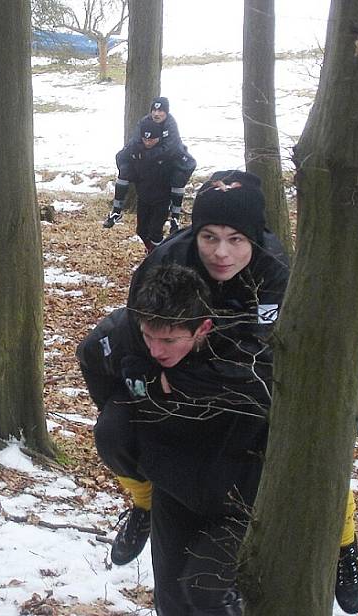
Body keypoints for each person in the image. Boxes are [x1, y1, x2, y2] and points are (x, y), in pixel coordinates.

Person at [79, 171, 358, 613]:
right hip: (186, 400)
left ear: (255, 238)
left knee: (320, 434)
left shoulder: (278, 274)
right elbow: (137, 344)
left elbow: (265, 365)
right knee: (115, 427)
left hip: (271, 395)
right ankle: (143, 502)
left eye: (235, 239)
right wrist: (147, 386)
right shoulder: (165, 264)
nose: (220, 252)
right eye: (209, 236)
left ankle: (342, 538)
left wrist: (189, 377)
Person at [105, 261, 271, 614]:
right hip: (173, 485)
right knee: (172, 600)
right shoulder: (135, 345)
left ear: (203, 329)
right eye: (149, 336)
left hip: (240, 499)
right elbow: (95, 358)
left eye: (168, 340)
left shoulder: (246, 355)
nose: (156, 350)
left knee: (205, 590)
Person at [104, 96, 193, 242]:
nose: (157, 114)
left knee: (178, 177)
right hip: (145, 177)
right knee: (124, 167)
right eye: (154, 110)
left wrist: (148, 155)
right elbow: (135, 142)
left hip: (167, 169)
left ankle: (175, 216)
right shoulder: (144, 122)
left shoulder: (171, 124)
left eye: (161, 110)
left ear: (166, 112)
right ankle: (116, 210)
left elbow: (171, 148)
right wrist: (138, 158)